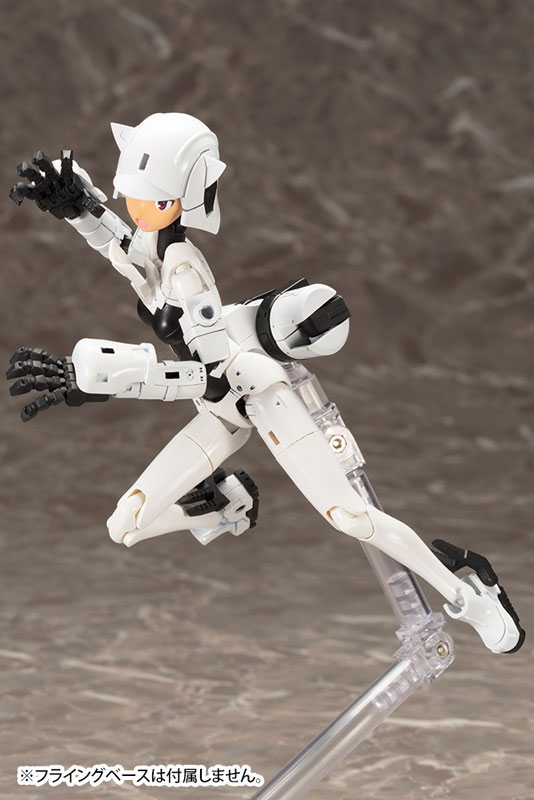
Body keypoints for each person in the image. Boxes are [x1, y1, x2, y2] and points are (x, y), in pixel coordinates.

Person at [8, 113, 525, 655]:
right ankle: (230, 507)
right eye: (132, 195)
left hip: (257, 394)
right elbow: (126, 254)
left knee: (349, 515)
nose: (137, 208)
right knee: (126, 523)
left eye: (153, 199)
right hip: (219, 411)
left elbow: (204, 373)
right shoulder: (156, 252)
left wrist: (103, 378)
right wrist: (78, 208)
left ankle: (470, 595)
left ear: (182, 198)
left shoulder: (186, 270)